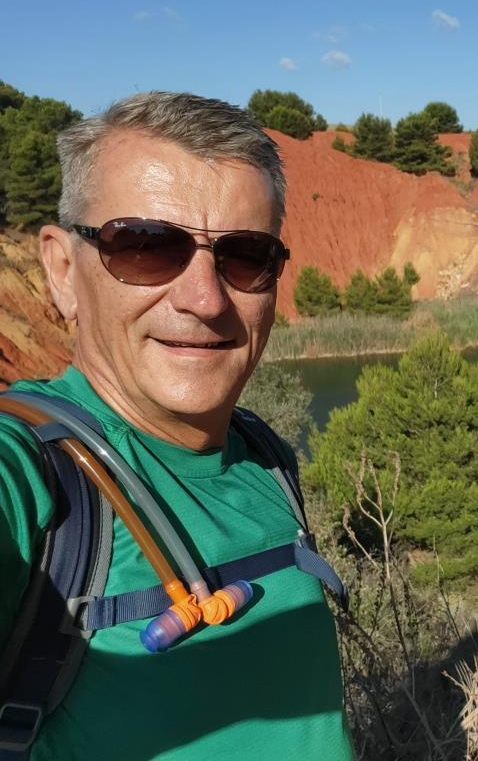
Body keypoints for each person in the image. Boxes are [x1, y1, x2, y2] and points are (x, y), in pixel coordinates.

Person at [0, 92, 354, 759]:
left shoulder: (264, 456)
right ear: (62, 269)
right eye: (147, 247)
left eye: (245, 256)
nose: (206, 299)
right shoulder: (32, 475)